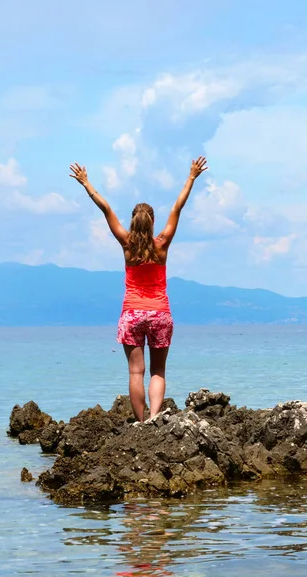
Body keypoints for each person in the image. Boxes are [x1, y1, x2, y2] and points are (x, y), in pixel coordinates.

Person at [69, 156, 208, 422]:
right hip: (159, 314)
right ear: (153, 221)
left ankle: (141, 423)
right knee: (158, 371)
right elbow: (178, 208)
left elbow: (106, 209)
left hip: (132, 314)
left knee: (136, 373)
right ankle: (155, 418)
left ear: (133, 221)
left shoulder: (127, 244)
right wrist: (191, 177)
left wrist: (86, 183)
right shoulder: (162, 244)